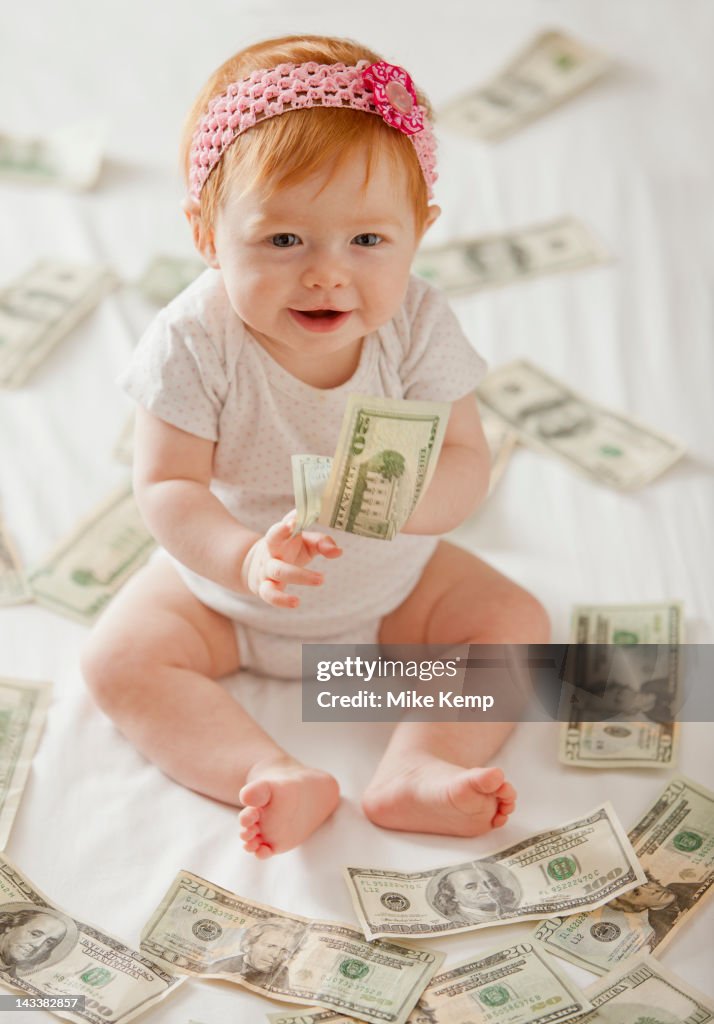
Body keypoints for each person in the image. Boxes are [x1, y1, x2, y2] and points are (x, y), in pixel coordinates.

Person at [81, 34, 549, 859]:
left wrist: (412, 509)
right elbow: (167, 487)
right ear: (205, 233)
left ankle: (420, 766)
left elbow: (466, 458)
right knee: (118, 662)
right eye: (283, 241)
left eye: (368, 242)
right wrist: (242, 560)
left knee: (516, 623)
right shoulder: (194, 338)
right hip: (222, 604)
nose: (328, 274)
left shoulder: (419, 323)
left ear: (420, 231)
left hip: (395, 595)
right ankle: (269, 772)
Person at [608, 873, 702, 950]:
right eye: (637, 893)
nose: (652, 890)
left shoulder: (675, 887)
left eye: (646, 882)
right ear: (637, 907)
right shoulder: (657, 921)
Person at [212, 917, 305, 988]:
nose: (276, 955)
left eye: (284, 950)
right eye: (271, 946)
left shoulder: (282, 973)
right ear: (249, 944)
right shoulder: (221, 968)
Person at [429, 864, 521, 924]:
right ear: (453, 896)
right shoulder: (455, 919)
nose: (486, 889)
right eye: (470, 887)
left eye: (491, 883)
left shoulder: (512, 911)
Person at [0, 907, 73, 976]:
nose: (37, 945)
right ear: (11, 927)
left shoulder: (11, 978)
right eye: (35, 934)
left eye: (49, 942)